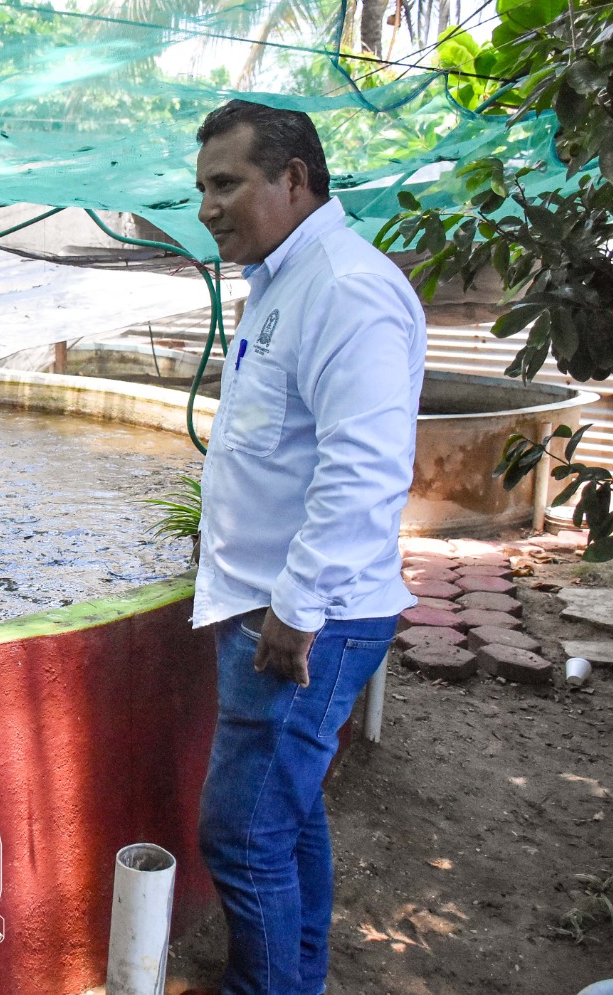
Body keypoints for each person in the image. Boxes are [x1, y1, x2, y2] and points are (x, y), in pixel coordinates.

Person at [190, 99, 425, 995]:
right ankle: (302, 976)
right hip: (272, 599)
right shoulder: (287, 276)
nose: (208, 206)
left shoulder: (343, 287)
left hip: (300, 617)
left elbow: (362, 469)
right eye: (201, 186)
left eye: (226, 183)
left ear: (293, 179)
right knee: (284, 818)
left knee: (242, 835)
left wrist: (294, 609)